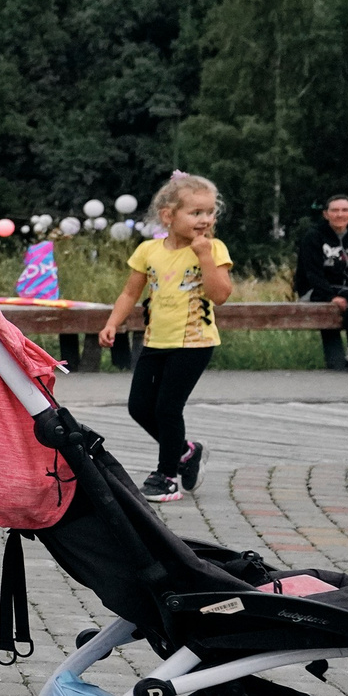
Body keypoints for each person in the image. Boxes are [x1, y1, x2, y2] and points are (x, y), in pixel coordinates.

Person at [102, 172, 233, 501]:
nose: (204, 220)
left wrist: (204, 256)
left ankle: (167, 475)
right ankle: (185, 452)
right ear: (168, 216)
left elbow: (221, 295)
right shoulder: (149, 250)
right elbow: (130, 293)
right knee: (138, 406)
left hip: (194, 342)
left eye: (209, 212)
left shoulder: (213, 249)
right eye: (195, 213)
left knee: (167, 409)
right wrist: (113, 323)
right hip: (155, 341)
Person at [294, 192, 348, 372]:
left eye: (344, 210)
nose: (339, 214)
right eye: (334, 210)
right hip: (316, 290)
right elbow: (312, 273)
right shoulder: (313, 237)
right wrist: (330, 296)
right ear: (325, 214)